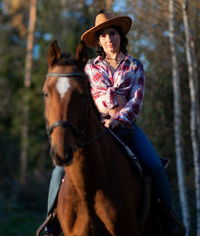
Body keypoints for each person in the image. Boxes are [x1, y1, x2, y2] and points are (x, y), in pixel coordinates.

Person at [42, 12, 186, 236]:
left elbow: (136, 100)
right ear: (99, 41)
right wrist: (114, 103)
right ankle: (51, 221)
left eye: (113, 33)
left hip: (127, 128)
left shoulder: (135, 66)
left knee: (154, 166)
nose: (110, 39)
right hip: (97, 129)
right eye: (104, 35)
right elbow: (94, 98)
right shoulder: (89, 68)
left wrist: (118, 117)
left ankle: (167, 216)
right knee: (58, 170)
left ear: (120, 37)